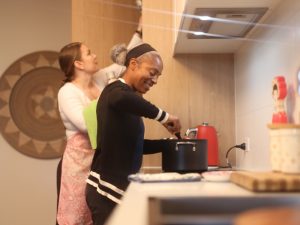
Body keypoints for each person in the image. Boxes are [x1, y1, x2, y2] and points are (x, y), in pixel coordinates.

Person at [56, 24, 143, 225]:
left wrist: (139, 31)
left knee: (101, 216)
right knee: (78, 218)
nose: (95, 55)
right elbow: (84, 124)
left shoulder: (100, 79)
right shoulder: (67, 92)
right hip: (77, 166)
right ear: (78, 63)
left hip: (101, 162)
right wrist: (111, 102)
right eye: (89, 53)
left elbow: (125, 65)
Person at [86, 43, 182, 225]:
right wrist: (164, 116)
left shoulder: (129, 101)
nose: (155, 80)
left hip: (116, 187)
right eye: (153, 73)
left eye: (158, 76)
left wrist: (168, 143)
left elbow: (133, 145)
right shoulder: (114, 90)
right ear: (133, 64)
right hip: (104, 189)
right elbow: (121, 97)